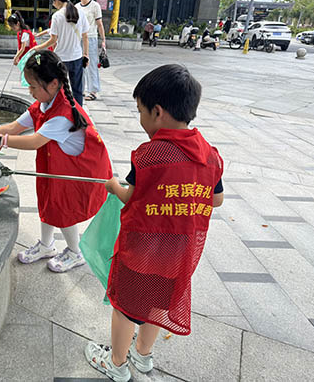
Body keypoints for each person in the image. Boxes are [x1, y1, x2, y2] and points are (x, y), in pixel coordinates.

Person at [84, 64, 224, 382]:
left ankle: (117, 364)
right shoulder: (210, 155)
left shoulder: (149, 156)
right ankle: (142, 355)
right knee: (157, 303)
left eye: (140, 111)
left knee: (125, 307)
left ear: (157, 112)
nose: (140, 118)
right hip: (177, 255)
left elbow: (130, 195)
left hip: (141, 252)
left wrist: (112, 186)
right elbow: (216, 200)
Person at [0, 50, 112, 273]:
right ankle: (47, 246)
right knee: (48, 201)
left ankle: (75, 253)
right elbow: (14, 127)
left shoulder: (62, 114)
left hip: (79, 169)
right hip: (58, 164)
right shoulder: (44, 104)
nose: (30, 92)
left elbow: (34, 141)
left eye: (33, 86)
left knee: (64, 209)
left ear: (53, 84)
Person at [33, 0, 90, 107]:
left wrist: (38, 48)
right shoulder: (80, 13)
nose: (53, 5)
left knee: (58, 89)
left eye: (53, 2)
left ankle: (58, 112)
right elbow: (85, 36)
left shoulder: (57, 16)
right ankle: (78, 114)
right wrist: (86, 54)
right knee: (77, 90)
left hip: (60, 59)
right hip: (77, 57)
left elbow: (53, 40)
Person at [76, 0, 106, 102]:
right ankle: (81, 89)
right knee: (79, 65)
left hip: (91, 38)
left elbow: (100, 24)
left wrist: (103, 40)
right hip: (78, 39)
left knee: (91, 64)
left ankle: (93, 91)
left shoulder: (95, 6)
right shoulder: (76, 7)